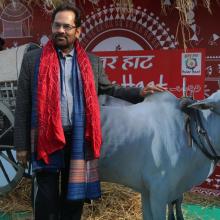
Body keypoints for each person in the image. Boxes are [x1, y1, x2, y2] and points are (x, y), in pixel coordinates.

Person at [14, 3, 166, 220]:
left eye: (67, 26)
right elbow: (23, 103)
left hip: (78, 137)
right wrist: (21, 146)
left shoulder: (92, 62)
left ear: (78, 31)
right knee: (45, 196)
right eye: (57, 25)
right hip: (45, 137)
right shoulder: (33, 60)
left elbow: (109, 88)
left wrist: (140, 91)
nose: (61, 31)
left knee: (74, 195)